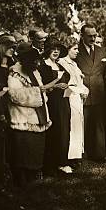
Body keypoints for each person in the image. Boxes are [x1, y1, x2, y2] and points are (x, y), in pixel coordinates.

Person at [7, 43, 56, 189]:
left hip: (38, 115)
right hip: (23, 117)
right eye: (33, 60)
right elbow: (15, 95)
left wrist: (43, 93)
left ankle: (34, 173)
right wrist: (38, 93)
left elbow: (41, 90)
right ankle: (22, 178)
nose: (36, 63)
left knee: (36, 147)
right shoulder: (14, 73)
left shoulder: (34, 72)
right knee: (24, 148)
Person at [75, 24, 106, 162]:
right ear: (82, 35)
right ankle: (82, 155)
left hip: (99, 93)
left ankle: (100, 155)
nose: (93, 38)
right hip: (82, 93)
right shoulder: (77, 51)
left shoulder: (102, 51)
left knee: (99, 125)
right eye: (90, 36)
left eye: (95, 35)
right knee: (82, 125)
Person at [38, 39, 71, 174]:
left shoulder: (60, 66)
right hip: (50, 102)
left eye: (58, 49)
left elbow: (67, 78)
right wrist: (56, 85)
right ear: (47, 50)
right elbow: (42, 87)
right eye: (53, 48)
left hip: (63, 101)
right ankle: (50, 165)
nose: (56, 51)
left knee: (64, 131)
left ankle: (62, 162)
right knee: (53, 131)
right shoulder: (42, 66)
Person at [58, 37, 89, 167]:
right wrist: (78, 90)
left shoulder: (74, 64)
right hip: (69, 98)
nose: (77, 52)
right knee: (71, 127)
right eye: (74, 49)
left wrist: (84, 89)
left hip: (77, 98)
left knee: (78, 126)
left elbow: (79, 81)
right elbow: (66, 84)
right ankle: (70, 157)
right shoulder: (62, 63)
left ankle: (76, 155)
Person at [0, 42, 16, 193]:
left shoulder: (12, 66)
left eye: (13, 48)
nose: (12, 50)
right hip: (0, 105)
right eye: (9, 48)